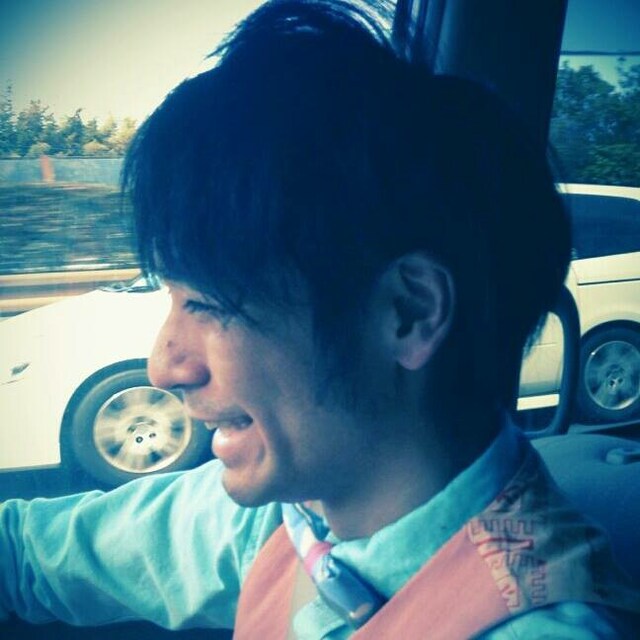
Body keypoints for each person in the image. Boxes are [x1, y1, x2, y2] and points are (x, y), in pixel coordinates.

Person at [1, 1, 639, 637]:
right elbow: (29, 554)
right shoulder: (284, 514)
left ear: (407, 313)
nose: (164, 366)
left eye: (210, 303)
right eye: (172, 298)